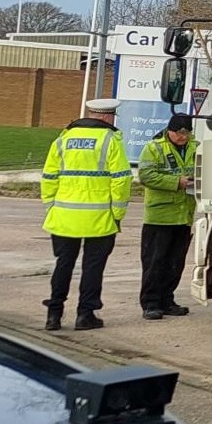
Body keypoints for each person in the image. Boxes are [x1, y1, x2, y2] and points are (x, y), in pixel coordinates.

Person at [40, 97, 131, 331]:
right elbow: (121, 180)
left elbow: (49, 177)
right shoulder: (111, 140)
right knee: (93, 267)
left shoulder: (63, 139)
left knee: (63, 264)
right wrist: (117, 213)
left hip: (63, 216)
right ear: (107, 116)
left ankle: (54, 314)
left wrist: (51, 206)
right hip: (99, 218)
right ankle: (85, 314)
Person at [135, 113, 196, 320]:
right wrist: (176, 182)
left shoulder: (196, 147)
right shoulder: (154, 148)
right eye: (179, 133)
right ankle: (151, 304)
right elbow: (146, 176)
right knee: (154, 262)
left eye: (186, 133)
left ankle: (167, 300)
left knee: (175, 262)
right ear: (170, 130)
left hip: (184, 214)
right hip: (159, 216)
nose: (183, 137)